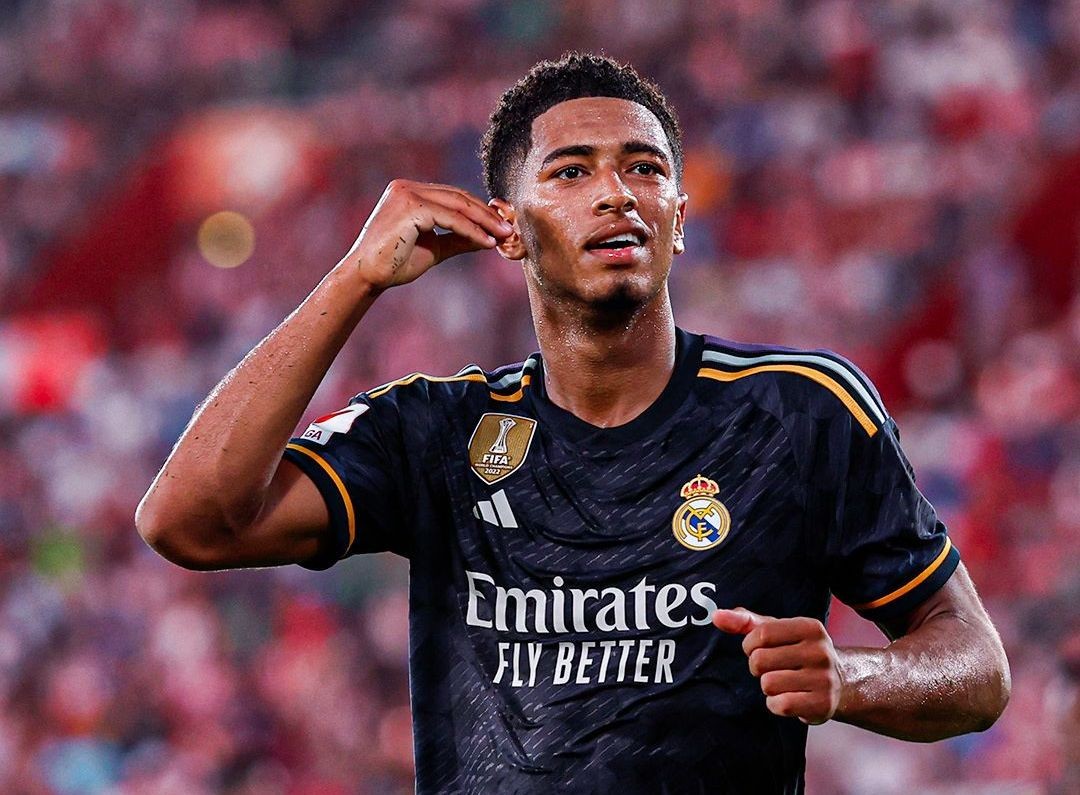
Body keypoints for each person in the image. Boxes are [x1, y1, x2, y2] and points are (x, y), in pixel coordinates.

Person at [137, 53, 1010, 793]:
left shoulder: (799, 410)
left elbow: (976, 667)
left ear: (678, 220)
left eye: (645, 168)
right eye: (570, 172)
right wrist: (353, 278)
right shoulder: (440, 432)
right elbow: (188, 522)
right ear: (508, 228)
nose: (616, 193)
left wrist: (852, 675)